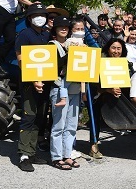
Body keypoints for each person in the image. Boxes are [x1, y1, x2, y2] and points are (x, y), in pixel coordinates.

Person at [15, 3, 52, 172]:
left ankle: (32, 151)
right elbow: (21, 60)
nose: (41, 18)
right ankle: (23, 155)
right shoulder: (25, 35)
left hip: (45, 82)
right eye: (37, 15)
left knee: (40, 117)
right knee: (28, 117)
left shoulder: (46, 35)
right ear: (29, 18)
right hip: (30, 83)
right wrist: (34, 80)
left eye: (43, 15)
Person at [49, 16, 82, 170]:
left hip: (74, 88)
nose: (64, 28)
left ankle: (67, 155)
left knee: (71, 125)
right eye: (60, 26)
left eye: (66, 26)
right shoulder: (52, 45)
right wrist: (73, 53)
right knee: (59, 125)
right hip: (58, 88)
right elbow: (54, 65)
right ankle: (56, 157)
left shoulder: (73, 43)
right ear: (54, 29)